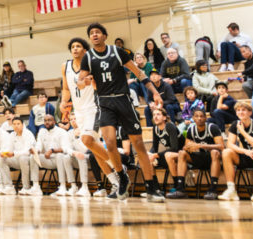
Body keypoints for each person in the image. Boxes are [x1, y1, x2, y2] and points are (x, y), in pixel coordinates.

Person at [83, 22, 165, 201]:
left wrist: (155, 92)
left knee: (139, 144)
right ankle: (122, 177)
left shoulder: (117, 52)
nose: (94, 35)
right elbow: (81, 79)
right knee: (110, 143)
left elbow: (139, 73)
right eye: (91, 33)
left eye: (97, 32)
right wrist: (84, 80)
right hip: (104, 102)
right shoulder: (88, 57)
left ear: (105, 35)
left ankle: (151, 187)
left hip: (123, 100)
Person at [60, 37, 116, 196]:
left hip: (93, 108)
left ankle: (118, 167)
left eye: (78, 46)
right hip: (78, 112)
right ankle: (115, 182)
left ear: (85, 50)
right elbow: (65, 88)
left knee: (87, 140)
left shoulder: (92, 65)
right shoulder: (65, 66)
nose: (75, 49)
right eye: (72, 46)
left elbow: (100, 87)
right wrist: (64, 101)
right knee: (94, 149)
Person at [219, 101, 253, 201]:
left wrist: (242, 131)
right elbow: (230, 144)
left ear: (250, 112)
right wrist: (244, 151)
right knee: (226, 152)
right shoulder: (235, 124)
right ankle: (231, 190)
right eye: (238, 110)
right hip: (246, 155)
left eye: (243, 110)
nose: (241, 112)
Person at [175, 109, 223, 200]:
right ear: (193, 118)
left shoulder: (212, 128)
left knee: (214, 152)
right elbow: (186, 146)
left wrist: (201, 145)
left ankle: (213, 189)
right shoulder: (191, 129)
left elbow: (221, 146)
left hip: (212, 159)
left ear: (205, 118)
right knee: (181, 153)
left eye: (201, 116)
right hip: (198, 158)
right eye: (196, 116)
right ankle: (181, 188)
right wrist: (188, 147)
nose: (199, 118)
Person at [35, 114, 75, 196]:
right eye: (45, 120)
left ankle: (62, 186)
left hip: (60, 160)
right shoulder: (42, 131)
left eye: (49, 120)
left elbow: (65, 148)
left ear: (54, 121)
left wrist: (52, 151)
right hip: (47, 159)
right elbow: (39, 145)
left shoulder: (61, 132)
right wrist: (36, 151)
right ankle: (36, 186)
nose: (47, 122)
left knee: (60, 155)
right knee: (33, 157)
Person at [150, 108, 186, 199]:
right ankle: (156, 189)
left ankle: (177, 186)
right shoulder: (155, 128)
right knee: (148, 160)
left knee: (168, 155)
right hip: (170, 154)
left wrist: (155, 155)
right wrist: (150, 155)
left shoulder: (170, 126)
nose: (155, 117)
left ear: (164, 117)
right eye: (154, 115)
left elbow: (174, 148)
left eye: (158, 114)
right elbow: (154, 147)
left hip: (181, 154)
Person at [5, 116, 41, 195]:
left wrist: (14, 153)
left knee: (23, 158)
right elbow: (9, 148)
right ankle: (8, 186)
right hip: (17, 158)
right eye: (14, 124)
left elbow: (27, 151)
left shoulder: (28, 134)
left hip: (29, 159)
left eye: (18, 124)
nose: (16, 126)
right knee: (3, 159)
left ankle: (26, 187)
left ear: (22, 125)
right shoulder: (12, 135)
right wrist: (6, 153)